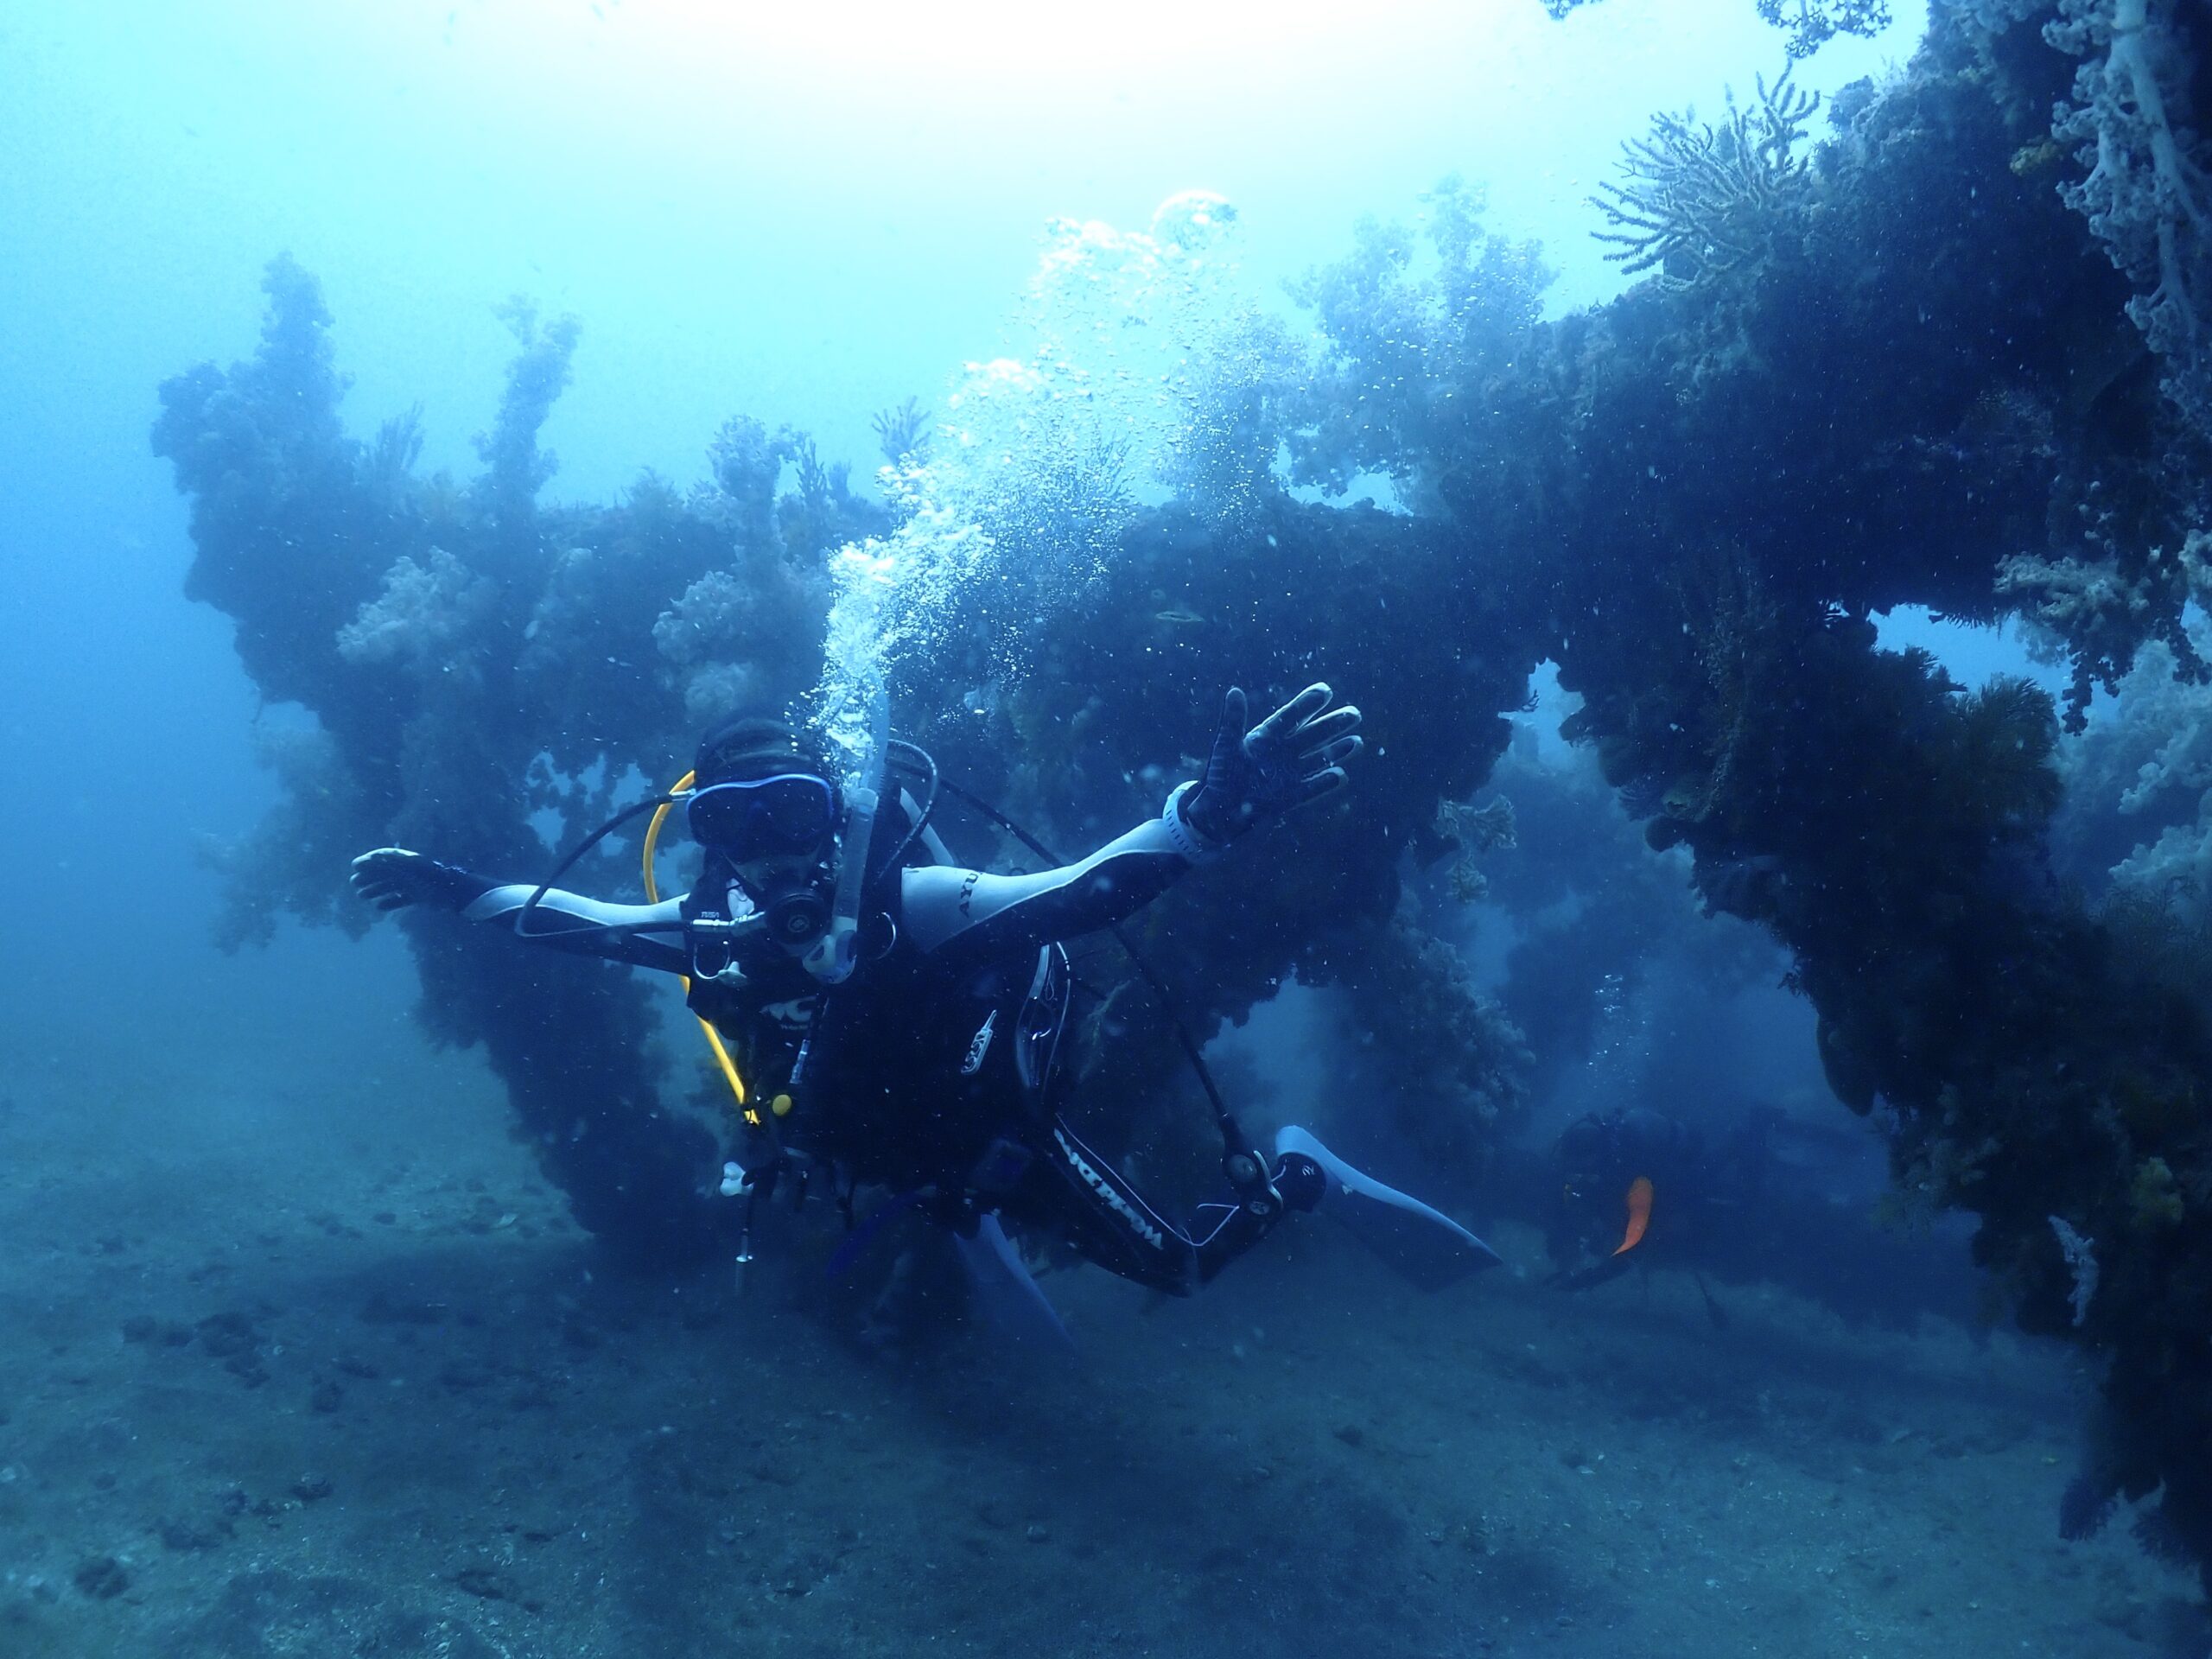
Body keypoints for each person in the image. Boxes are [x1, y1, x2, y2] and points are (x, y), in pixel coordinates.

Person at [352, 684, 1491, 1302]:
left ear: (833, 815)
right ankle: (947, 1216)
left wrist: (1199, 821)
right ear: (707, 839)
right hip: (894, 1143)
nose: (773, 853)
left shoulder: (920, 903)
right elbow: (568, 920)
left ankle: (1301, 1176)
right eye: (734, 824)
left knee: (1182, 1272)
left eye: (795, 812)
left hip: (999, 1120)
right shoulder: (714, 938)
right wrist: (449, 887)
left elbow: (1078, 893)